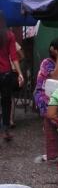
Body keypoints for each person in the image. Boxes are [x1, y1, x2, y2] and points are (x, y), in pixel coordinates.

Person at [0, 11, 24, 141]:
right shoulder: (9, 35)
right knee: (6, 101)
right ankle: (5, 130)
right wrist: (20, 73)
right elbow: (14, 57)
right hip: (5, 74)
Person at [10, 41, 24, 127]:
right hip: (12, 72)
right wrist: (15, 65)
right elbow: (22, 56)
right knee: (11, 97)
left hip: (3, 71)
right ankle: (10, 120)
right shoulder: (13, 42)